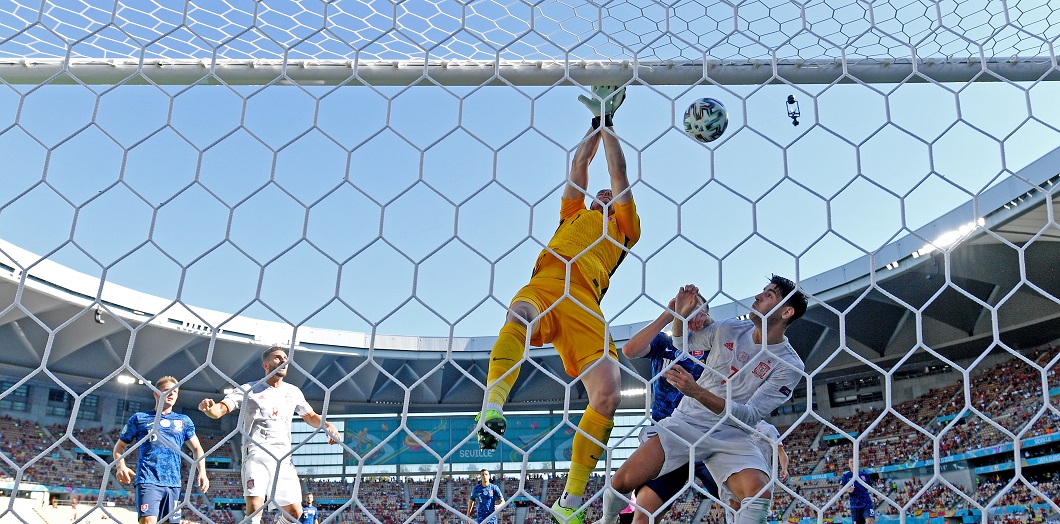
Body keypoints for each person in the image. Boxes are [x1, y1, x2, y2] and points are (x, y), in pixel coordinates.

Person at [474, 84, 640, 524]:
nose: (604, 193)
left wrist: (611, 131)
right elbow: (578, 165)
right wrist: (597, 121)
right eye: (599, 193)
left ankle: (570, 502)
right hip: (548, 282)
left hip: (585, 300)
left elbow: (618, 174)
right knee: (519, 315)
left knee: (608, 392)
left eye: (610, 196)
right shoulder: (572, 214)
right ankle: (493, 406)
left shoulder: (625, 227)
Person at [598, 277, 808, 524]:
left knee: (758, 491)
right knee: (622, 481)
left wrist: (696, 390)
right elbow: (680, 344)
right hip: (687, 423)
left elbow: (750, 415)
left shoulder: (790, 365)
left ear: (787, 312)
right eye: (762, 292)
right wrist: (679, 315)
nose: (758, 296)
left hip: (732, 434)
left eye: (769, 295)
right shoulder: (730, 328)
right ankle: (607, 520)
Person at [198, 346, 339, 524]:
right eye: (278, 358)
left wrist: (327, 425)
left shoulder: (293, 392)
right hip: (257, 454)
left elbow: (310, 416)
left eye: (285, 358)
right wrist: (210, 409)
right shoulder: (249, 389)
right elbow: (220, 409)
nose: (283, 361)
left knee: (295, 513)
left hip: (284, 459)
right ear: (265, 364)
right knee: (255, 507)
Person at [621, 292, 720, 523]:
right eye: (686, 309)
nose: (691, 314)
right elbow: (629, 350)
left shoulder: (716, 347)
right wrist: (668, 315)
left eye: (698, 309)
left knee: (738, 502)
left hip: (708, 438)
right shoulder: (664, 344)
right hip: (667, 441)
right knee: (644, 514)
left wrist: (706, 321)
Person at [113, 376, 209, 524]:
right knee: (148, 521)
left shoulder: (183, 421)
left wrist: (202, 471)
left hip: (173, 483)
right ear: (156, 394)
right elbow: (119, 446)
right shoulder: (140, 419)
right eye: (167, 390)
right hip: (148, 480)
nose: (171, 394)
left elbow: (197, 448)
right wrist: (121, 466)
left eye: (175, 391)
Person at [840, 458, 876, 524]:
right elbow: (840, 490)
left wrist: (874, 496)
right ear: (849, 465)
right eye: (851, 462)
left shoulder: (864, 474)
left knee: (870, 521)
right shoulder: (846, 476)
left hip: (867, 504)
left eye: (854, 461)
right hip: (855, 506)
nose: (853, 463)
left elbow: (871, 487)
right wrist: (847, 490)